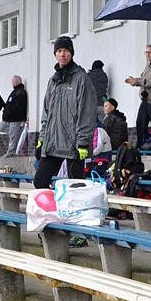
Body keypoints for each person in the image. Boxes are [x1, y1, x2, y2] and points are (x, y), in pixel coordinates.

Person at [35, 36, 96, 188]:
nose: (62, 54)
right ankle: (54, 211)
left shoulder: (82, 78)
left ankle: (75, 212)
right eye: (59, 51)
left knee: (77, 188)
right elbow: (46, 112)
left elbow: (86, 113)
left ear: (72, 53)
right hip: (53, 142)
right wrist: (42, 138)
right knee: (39, 182)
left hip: (74, 144)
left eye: (66, 51)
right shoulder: (53, 81)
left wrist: (83, 142)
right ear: (55, 54)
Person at [125, 44, 151, 148]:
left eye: (150, 52)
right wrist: (135, 80)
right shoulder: (149, 65)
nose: (147, 55)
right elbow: (144, 79)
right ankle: (141, 144)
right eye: (146, 52)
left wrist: (137, 81)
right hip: (145, 99)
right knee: (140, 123)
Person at [3, 75, 29, 157]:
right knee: (2, 128)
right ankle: (16, 135)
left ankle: (11, 153)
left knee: (13, 136)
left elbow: (18, 107)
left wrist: (10, 112)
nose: (11, 83)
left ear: (17, 82)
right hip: (9, 119)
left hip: (16, 119)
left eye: (12, 81)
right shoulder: (15, 91)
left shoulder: (20, 92)